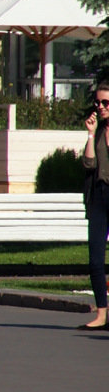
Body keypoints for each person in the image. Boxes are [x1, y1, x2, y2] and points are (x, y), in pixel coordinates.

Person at [81, 84, 109, 330]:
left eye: (105, 103)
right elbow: (89, 163)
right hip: (100, 197)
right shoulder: (98, 131)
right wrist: (90, 134)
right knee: (95, 260)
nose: (100, 107)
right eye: (98, 103)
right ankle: (101, 314)